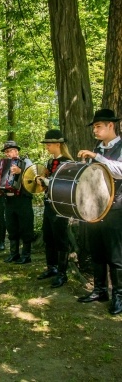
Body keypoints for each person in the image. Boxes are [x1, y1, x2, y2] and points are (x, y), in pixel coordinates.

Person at [77, 109, 122, 315]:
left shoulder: (120, 146)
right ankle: (100, 290)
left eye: (98, 126)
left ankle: (119, 297)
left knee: (115, 255)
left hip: (116, 209)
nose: (95, 130)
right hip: (94, 208)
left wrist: (96, 156)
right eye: (94, 126)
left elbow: (120, 170)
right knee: (97, 251)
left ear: (111, 126)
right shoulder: (98, 148)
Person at [36, 130, 73, 287]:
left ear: (58, 144)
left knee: (60, 238)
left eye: (49, 145)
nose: (47, 148)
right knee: (48, 236)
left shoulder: (68, 163)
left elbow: (65, 184)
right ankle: (52, 267)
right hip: (48, 204)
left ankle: (62, 274)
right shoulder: (51, 162)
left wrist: (46, 181)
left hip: (60, 206)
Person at [0, 141, 34, 264]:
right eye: (6, 152)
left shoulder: (26, 162)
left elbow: (33, 176)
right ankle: (14, 253)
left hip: (23, 199)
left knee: (26, 226)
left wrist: (21, 171)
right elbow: (1, 180)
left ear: (16, 151)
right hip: (9, 200)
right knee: (11, 226)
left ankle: (26, 255)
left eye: (10, 151)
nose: (8, 154)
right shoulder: (3, 164)